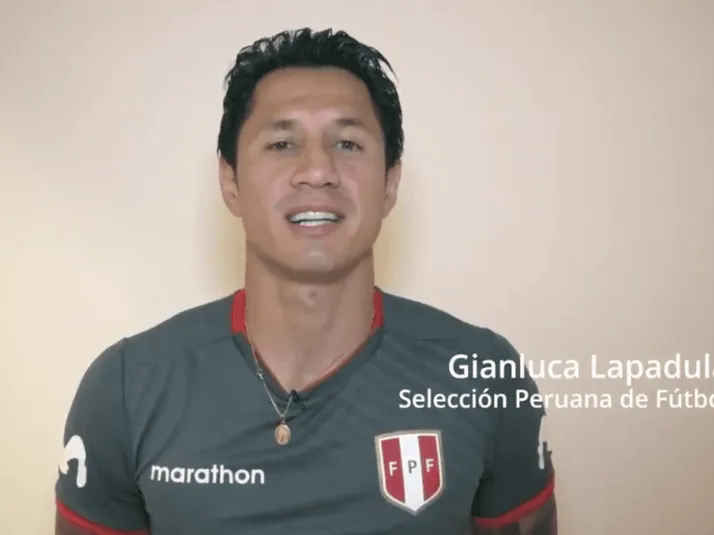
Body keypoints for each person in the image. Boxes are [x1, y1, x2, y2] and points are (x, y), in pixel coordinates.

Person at [55, 27, 556, 535]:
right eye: (282, 143)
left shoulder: (484, 377)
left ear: (390, 183)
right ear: (230, 182)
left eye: (347, 143)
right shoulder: (127, 387)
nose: (317, 171)